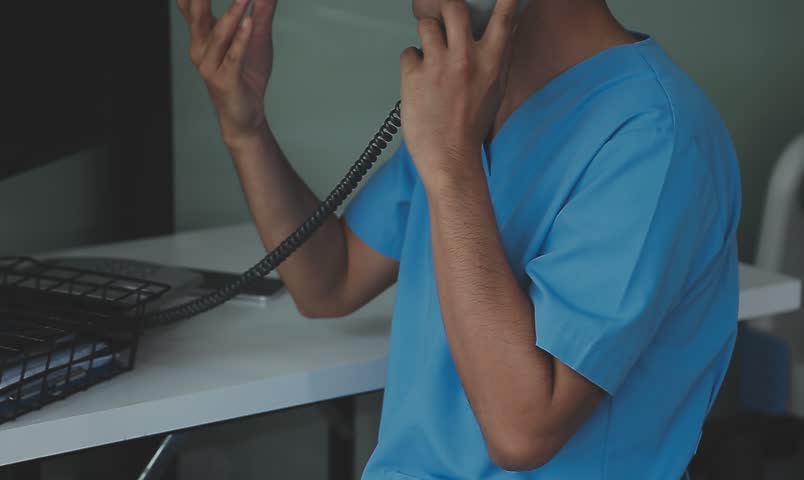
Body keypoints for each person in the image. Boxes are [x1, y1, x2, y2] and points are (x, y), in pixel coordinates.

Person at [175, 0, 741, 478]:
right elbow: (330, 280)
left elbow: (523, 430)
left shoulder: (654, 137)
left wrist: (451, 160)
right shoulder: (472, 109)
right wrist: (244, 130)